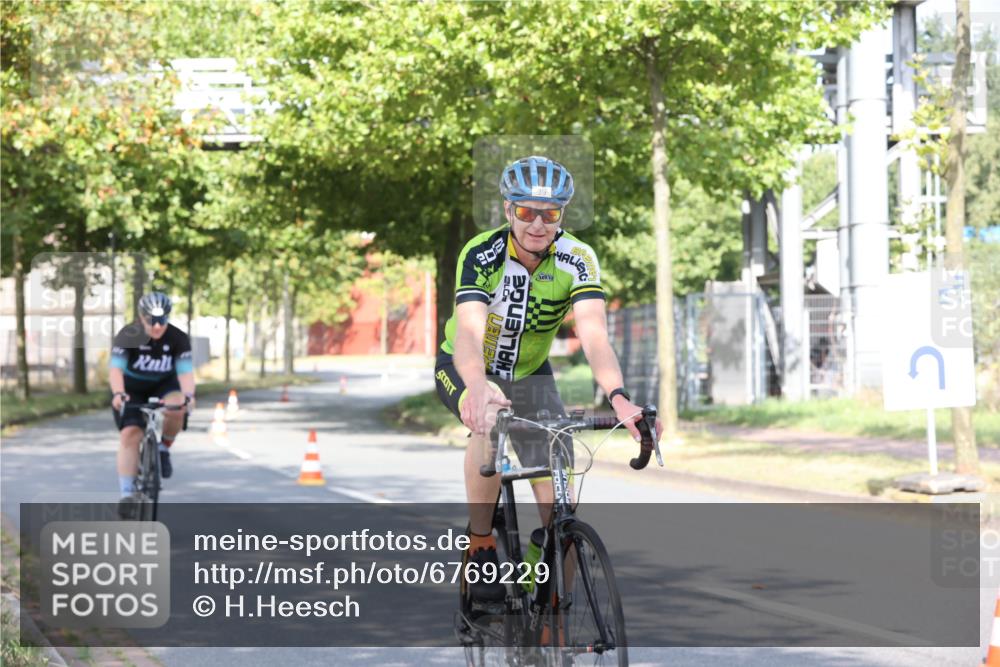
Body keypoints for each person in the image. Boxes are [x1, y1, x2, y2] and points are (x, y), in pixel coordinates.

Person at [434, 155, 662, 605]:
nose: (538, 224)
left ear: (562, 215)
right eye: (526, 211)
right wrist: (478, 388)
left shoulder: (577, 258)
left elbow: (594, 334)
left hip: (530, 374)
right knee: (489, 420)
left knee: (563, 505)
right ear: (507, 210)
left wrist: (619, 399)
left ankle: (553, 613)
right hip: (467, 367)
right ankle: (481, 542)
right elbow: (469, 333)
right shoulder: (482, 254)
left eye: (550, 213)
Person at [109, 292, 195, 514]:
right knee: (130, 434)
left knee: (177, 406)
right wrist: (118, 393)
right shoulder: (128, 335)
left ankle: (163, 448)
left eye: (162, 320)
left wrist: (189, 396)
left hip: (164, 384)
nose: (157, 327)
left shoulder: (178, 338)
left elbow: (185, 373)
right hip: (132, 387)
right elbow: (116, 369)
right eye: (151, 321)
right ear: (141, 316)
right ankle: (127, 494)